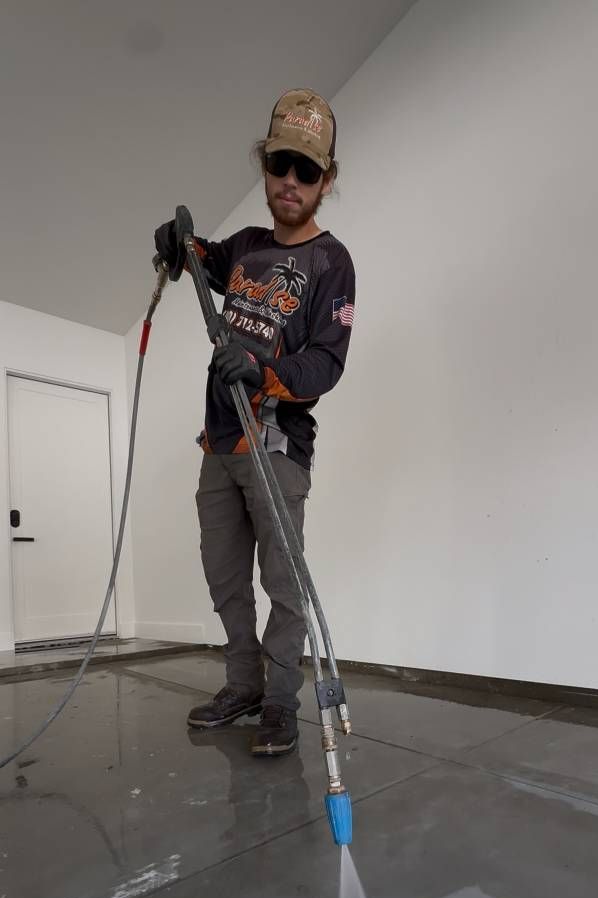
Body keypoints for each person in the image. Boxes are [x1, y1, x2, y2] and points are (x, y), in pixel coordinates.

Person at [154, 89, 355, 757]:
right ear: (264, 165)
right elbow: (199, 258)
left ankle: (278, 701)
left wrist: (262, 367)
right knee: (223, 574)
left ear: (325, 179)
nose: (289, 182)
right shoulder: (243, 246)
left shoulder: (331, 263)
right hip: (219, 441)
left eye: (305, 170)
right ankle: (241, 684)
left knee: (282, 581)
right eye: (280, 165)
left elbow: (326, 363)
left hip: (276, 445)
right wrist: (177, 247)